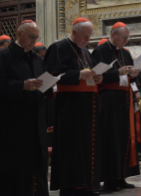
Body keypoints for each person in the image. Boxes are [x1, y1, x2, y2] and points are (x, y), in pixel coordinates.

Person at [44, 17, 103, 196]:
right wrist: (79, 75)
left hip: (87, 106)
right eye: (85, 36)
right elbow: (49, 77)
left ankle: (86, 185)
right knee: (72, 147)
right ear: (75, 31)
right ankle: (71, 188)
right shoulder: (58, 47)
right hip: (69, 107)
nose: (87, 40)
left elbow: (90, 72)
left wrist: (97, 77)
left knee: (87, 146)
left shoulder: (85, 50)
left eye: (90, 37)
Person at [0, 20, 49, 196]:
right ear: (19, 34)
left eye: (37, 37)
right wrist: (21, 85)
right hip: (14, 124)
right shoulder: (3, 57)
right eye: (31, 37)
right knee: (18, 169)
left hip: (36, 121)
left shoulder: (36, 58)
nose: (34, 41)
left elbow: (42, 83)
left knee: (38, 165)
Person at [92, 22, 140, 192]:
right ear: (113, 35)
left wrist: (133, 75)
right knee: (110, 139)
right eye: (123, 37)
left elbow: (130, 77)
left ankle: (121, 177)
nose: (126, 41)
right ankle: (109, 180)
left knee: (123, 138)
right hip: (108, 100)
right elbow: (95, 76)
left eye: (128, 38)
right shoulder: (100, 51)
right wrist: (117, 73)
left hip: (124, 99)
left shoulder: (126, 53)